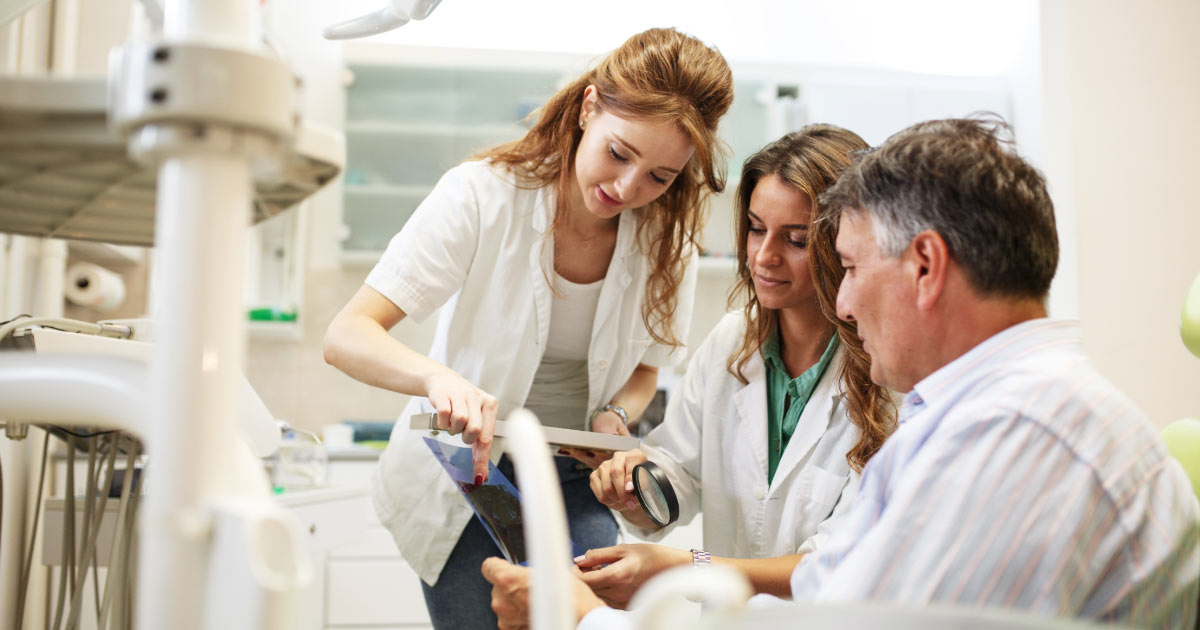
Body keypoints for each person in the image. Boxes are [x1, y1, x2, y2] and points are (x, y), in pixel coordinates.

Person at [484, 116, 1200, 629]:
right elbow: (836, 585)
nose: (846, 303)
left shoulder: (1011, 434)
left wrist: (581, 619)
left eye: (849, 267)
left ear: (924, 266)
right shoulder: (975, 412)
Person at [322, 27, 734, 629]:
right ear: (589, 108)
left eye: (660, 177)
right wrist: (440, 381)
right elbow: (348, 334)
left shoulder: (669, 242)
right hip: (471, 472)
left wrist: (615, 415)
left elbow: (646, 370)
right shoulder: (481, 195)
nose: (627, 189)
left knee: (587, 614)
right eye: (619, 154)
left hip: (573, 474)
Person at [566, 125, 897, 607]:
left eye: (797, 240)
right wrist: (637, 488)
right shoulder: (733, 340)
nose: (765, 256)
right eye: (757, 228)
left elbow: (839, 562)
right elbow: (679, 470)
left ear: (845, 244)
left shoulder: (888, 375)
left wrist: (685, 567)